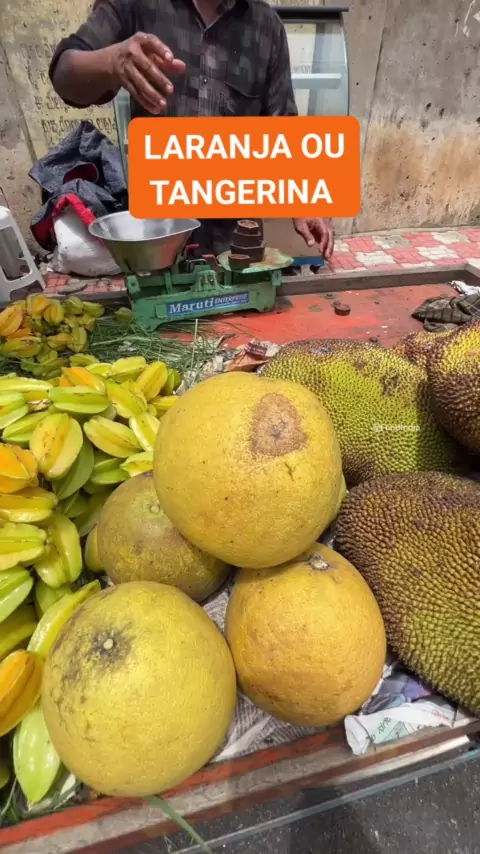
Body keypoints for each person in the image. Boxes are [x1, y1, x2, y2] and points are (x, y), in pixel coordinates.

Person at [49, 0, 334, 260]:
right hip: (160, 239)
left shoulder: (266, 24)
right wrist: (111, 61)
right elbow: (64, 75)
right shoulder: (134, 5)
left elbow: (282, 123)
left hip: (237, 242)